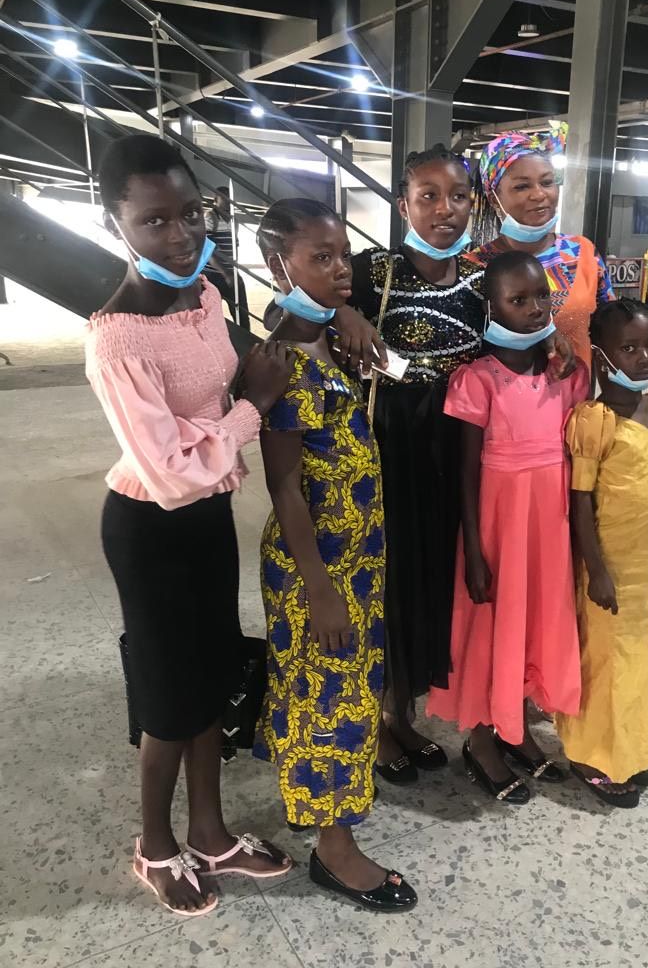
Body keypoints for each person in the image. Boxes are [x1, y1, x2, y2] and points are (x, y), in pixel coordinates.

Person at [85, 135, 295, 916]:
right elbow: (172, 465)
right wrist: (255, 408)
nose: (181, 235)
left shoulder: (203, 294)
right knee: (169, 700)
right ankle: (155, 846)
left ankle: (210, 833)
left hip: (208, 519)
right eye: (155, 221)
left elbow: (232, 376)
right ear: (117, 226)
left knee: (211, 673)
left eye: (192, 213)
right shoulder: (116, 337)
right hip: (151, 528)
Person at [254, 197, 417, 912]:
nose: (341, 269)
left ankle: (326, 809)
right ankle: (334, 849)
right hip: (314, 566)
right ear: (276, 263)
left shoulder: (330, 337)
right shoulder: (282, 361)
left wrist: (342, 312)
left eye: (342, 254)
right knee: (330, 699)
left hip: (358, 557)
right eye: (320, 258)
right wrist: (318, 587)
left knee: (344, 691)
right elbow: (284, 485)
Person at [426, 252, 587, 802]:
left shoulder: (562, 375)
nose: (535, 308)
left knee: (532, 623)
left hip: (546, 531)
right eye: (519, 300)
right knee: (491, 627)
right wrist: (474, 549)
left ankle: (513, 723)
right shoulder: (477, 381)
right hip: (497, 531)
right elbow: (466, 474)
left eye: (542, 296)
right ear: (490, 307)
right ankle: (480, 740)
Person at [346, 144, 484, 783]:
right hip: (389, 452)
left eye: (457, 196)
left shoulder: (486, 277)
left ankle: (405, 711)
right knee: (388, 587)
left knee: (435, 582)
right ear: (403, 204)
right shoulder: (371, 269)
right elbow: (287, 303)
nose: (444, 209)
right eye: (427, 195)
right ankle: (380, 721)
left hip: (458, 453)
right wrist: (343, 312)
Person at [556, 298, 648, 808]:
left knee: (636, 660)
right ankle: (592, 755)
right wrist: (596, 570)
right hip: (607, 567)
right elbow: (580, 501)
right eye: (628, 348)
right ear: (601, 356)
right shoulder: (595, 420)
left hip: (642, 565)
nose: (644, 357)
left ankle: (628, 747)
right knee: (605, 661)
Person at [466, 125, 614, 365]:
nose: (539, 195)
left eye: (547, 182)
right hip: (502, 400)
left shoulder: (582, 253)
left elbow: (609, 335)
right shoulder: (474, 267)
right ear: (494, 198)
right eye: (522, 186)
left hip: (577, 400)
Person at [204, 185, 251, 327]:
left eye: (229, 198)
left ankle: (246, 342)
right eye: (223, 198)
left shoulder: (233, 221)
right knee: (210, 315)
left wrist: (232, 271)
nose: (227, 201)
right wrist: (226, 273)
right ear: (215, 200)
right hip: (212, 274)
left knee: (242, 313)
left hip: (230, 271)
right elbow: (208, 249)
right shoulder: (210, 217)